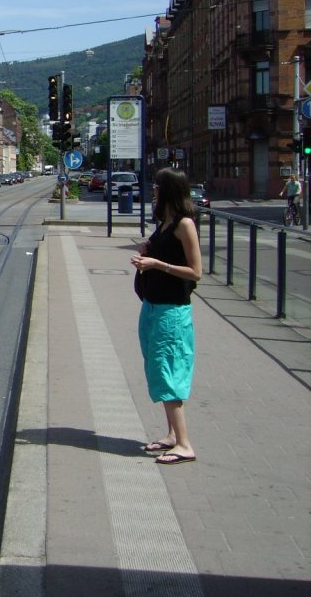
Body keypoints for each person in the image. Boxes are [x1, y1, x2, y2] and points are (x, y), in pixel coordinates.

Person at [130, 167, 202, 466]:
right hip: (153, 306)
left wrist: (158, 264)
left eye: (157, 186)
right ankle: (173, 435)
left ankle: (184, 444)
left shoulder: (185, 224)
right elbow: (160, 256)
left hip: (172, 311)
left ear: (169, 190)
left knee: (167, 372)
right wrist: (146, 252)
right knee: (158, 370)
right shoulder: (165, 223)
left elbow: (196, 272)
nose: (153, 191)